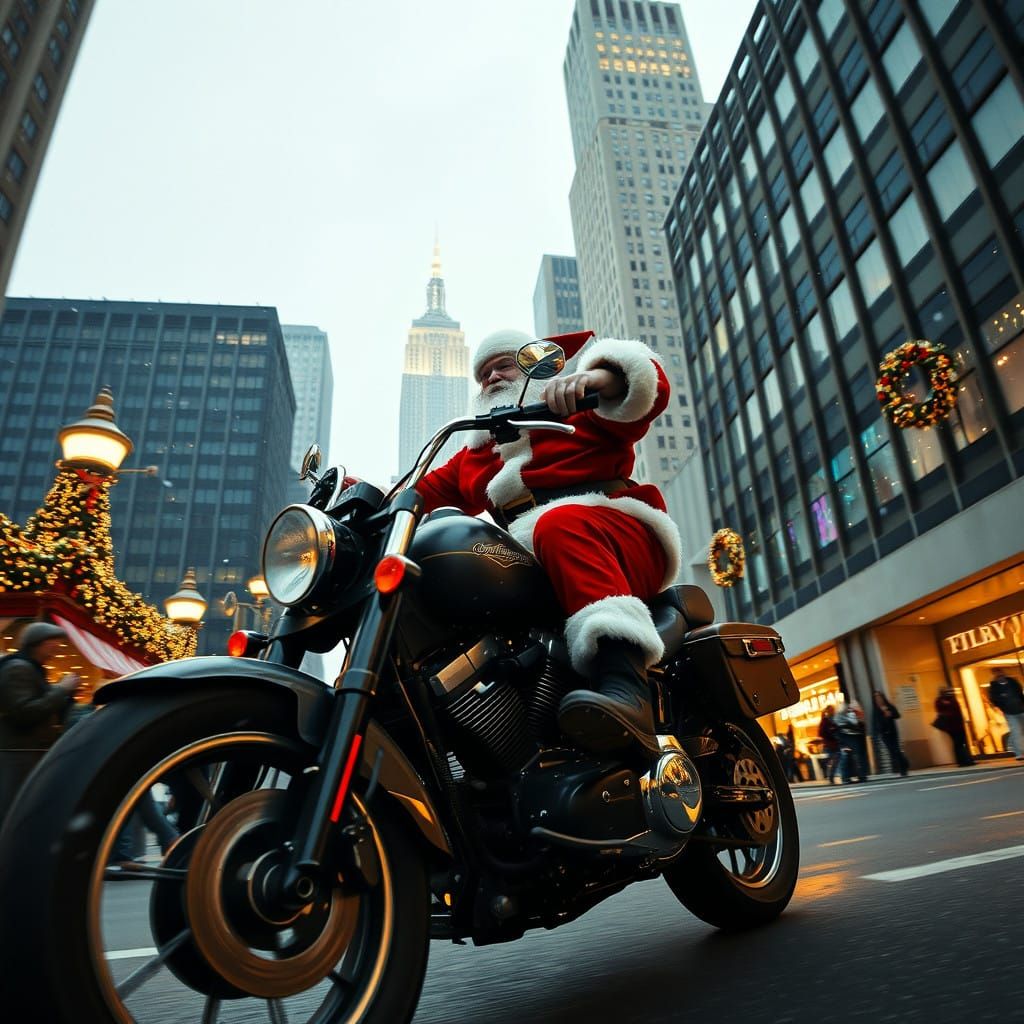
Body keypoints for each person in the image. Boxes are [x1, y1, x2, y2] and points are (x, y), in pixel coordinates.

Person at [416, 329, 681, 757]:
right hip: (533, 560)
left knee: (559, 524)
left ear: (536, 368)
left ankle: (627, 685)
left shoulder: (577, 410)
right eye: (483, 373)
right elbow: (415, 494)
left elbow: (647, 384)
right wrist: (355, 498)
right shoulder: (474, 456)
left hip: (619, 536)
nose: (491, 378)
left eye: (503, 365)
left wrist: (597, 379)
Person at [0, 621, 82, 826]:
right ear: (38, 643)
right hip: (18, 754)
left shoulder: (32, 669)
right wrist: (61, 690)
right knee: (13, 812)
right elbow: (24, 712)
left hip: (27, 753)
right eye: (53, 642)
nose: (57, 647)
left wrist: (65, 694)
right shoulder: (18, 668)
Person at [985, 668, 1024, 761]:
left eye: (1001, 673)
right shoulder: (994, 687)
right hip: (1009, 712)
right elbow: (994, 699)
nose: (1000, 676)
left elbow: (1020, 693)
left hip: (1021, 709)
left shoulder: (1013, 682)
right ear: (995, 676)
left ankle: (1019, 753)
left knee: (1018, 732)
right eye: (997, 674)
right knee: (1016, 732)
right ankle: (1019, 753)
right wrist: (1002, 707)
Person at [933, 685, 975, 766]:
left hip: (957, 724)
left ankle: (966, 760)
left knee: (960, 743)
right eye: (946, 691)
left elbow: (957, 711)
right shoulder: (941, 701)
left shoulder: (951, 699)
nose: (949, 693)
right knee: (958, 744)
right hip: (952, 726)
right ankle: (963, 761)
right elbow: (942, 710)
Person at [872, 690, 909, 776]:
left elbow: (897, 715)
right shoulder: (876, 709)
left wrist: (890, 713)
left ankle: (903, 770)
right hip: (884, 733)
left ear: (882, 697)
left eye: (879, 696)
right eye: (876, 697)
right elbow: (875, 722)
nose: (878, 699)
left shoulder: (888, 706)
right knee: (892, 751)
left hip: (892, 731)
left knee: (896, 749)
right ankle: (905, 763)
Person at [833, 702, 864, 783]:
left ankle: (858, 776)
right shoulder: (839, 718)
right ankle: (846, 777)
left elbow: (856, 726)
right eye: (846, 709)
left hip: (851, 740)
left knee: (853, 758)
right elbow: (839, 731)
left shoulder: (848, 716)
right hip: (846, 741)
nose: (847, 710)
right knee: (846, 759)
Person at [817, 704, 841, 784]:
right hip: (829, 744)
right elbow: (821, 733)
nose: (833, 711)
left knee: (836, 760)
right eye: (831, 710)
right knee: (830, 760)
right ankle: (830, 775)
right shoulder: (825, 720)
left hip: (835, 744)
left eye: (833, 710)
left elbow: (838, 728)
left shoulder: (835, 719)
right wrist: (830, 732)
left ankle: (831, 776)